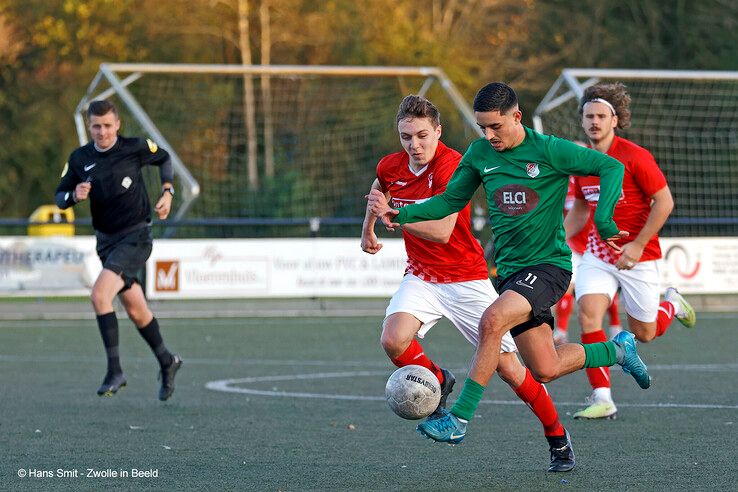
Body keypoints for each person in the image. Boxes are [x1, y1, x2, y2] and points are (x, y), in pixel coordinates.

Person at [367, 82, 651, 445]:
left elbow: (610, 167)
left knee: (493, 321)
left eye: (496, 126)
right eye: (482, 127)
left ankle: (459, 418)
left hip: (549, 266)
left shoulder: (548, 150)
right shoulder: (480, 153)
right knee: (544, 367)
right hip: (511, 272)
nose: (489, 135)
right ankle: (616, 350)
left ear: (517, 116)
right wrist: (401, 214)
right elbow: (448, 202)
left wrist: (606, 220)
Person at [362, 95, 574, 472]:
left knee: (511, 369)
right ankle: (440, 380)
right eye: (406, 137)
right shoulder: (391, 166)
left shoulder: (453, 164)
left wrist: (394, 219)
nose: (415, 145)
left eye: (423, 136)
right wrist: (368, 231)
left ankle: (557, 437)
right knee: (392, 339)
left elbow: (442, 231)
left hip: (467, 279)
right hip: (422, 276)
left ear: (438, 132)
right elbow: (379, 192)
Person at [565, 83, 697, 420]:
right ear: (581, 121)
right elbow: (581, 209)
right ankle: (602, 397)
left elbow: (665, 202)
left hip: (640, 256)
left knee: (645, 333)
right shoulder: (583, 162)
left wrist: (637, 245)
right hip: (598, 253)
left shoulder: (635, 156)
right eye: (588, 116)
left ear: (615, 120)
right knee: (589, 314)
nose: (594, 122)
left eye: (600, 116)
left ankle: (672, 303)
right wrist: (558, 239)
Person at [55, 100, 182, 401]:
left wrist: (168, 192)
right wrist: (74, 195)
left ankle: (115, 371)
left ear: (117, 124)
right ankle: (168, 361)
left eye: (108, 125)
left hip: (136, 236)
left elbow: (165, 159)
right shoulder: (79, 158)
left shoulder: (134, 147)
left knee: (100, 295)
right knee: (137, 311)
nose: (102, 132)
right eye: (96, 126)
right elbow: (60, 197)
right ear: (89, 126)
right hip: (107, 242)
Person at [553, 175, 622, 345]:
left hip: (597, 246)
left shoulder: (601, 178)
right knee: (567, 287)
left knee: (605, 290)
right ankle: (561, 332)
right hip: (573, 245)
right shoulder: (562, 182)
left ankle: (615, 327)